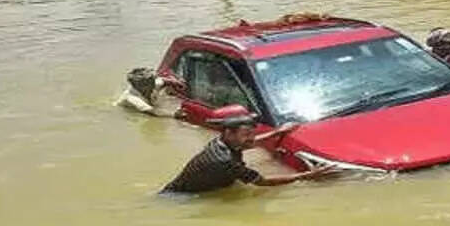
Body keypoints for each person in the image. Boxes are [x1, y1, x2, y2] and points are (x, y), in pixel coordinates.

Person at [161, 107, 335, 195]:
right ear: (229, 132)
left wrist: (278, 132)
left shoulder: (222, 141)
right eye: (246, 134)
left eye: (253, 134)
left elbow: (248, 143)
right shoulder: (225, 161)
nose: (251, 139)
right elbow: (263, 182)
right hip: (185, 198)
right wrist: (306, 176)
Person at [115, 67, 184, 118]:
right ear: (137, 85)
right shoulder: (132, 98)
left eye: (152, 81)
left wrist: (177, 82)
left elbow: (163, 80)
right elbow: (153, 112)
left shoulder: (153, 83)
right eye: (148, 83)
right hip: (124, 112)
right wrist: (174, 114)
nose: (152, 85)